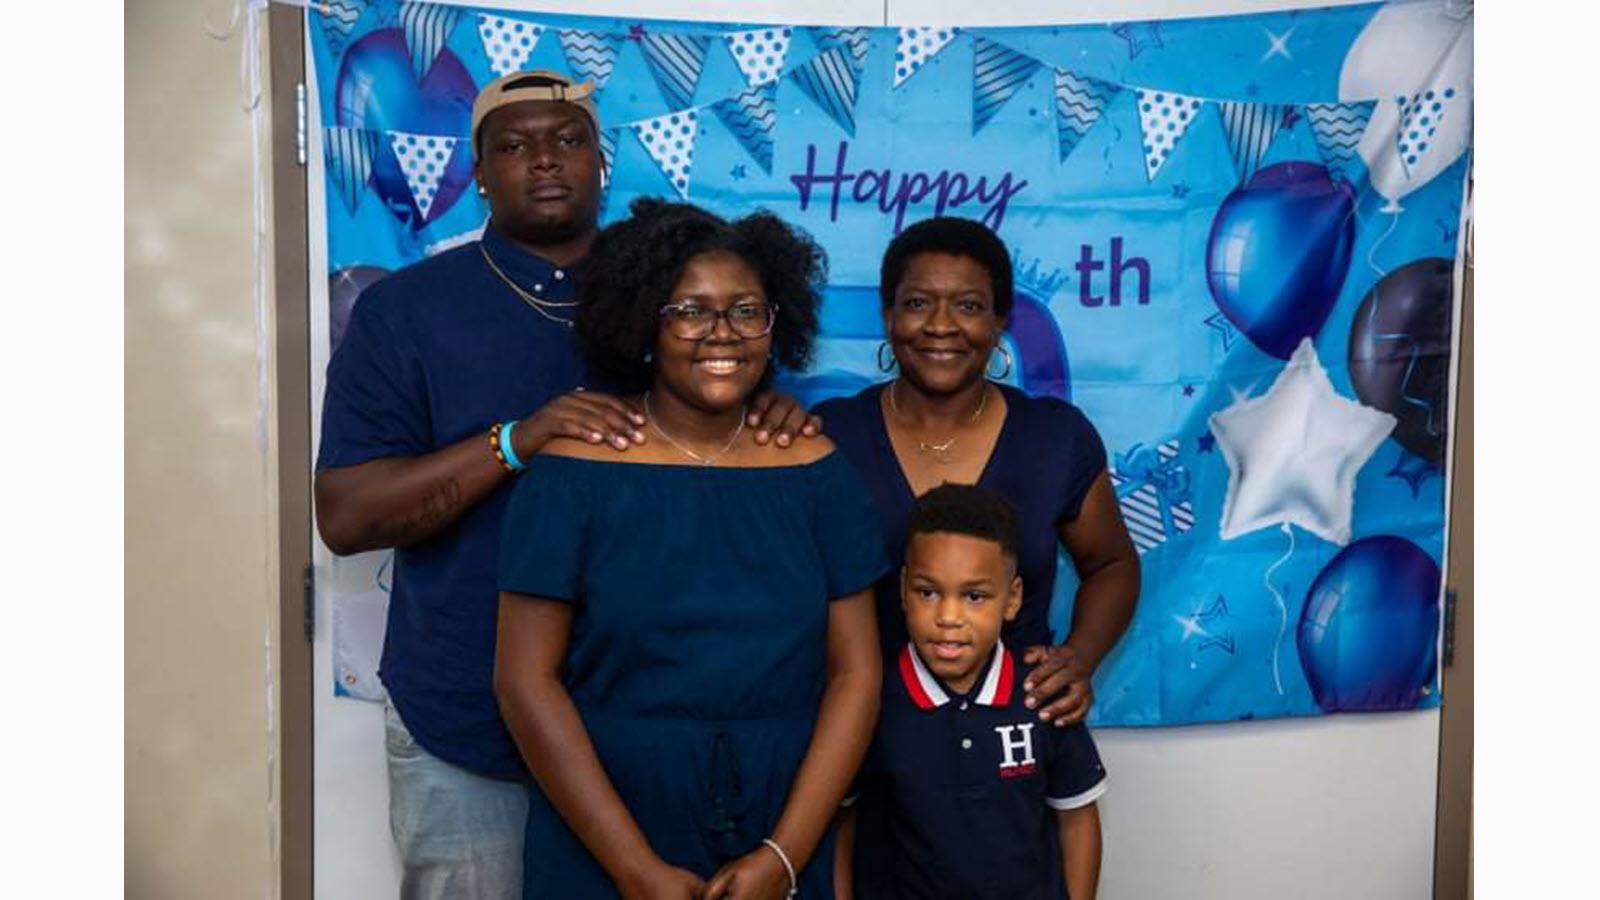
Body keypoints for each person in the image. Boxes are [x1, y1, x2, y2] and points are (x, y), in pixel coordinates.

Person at [314, 71, 817, 898]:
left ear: (601, 160)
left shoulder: (675, 297)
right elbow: (347, 516)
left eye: (568, 139)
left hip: (647, 731)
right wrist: (517, 440)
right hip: (467, 719)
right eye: (513, 145)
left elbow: (731, 427)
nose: (544, 159)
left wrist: (776, 417)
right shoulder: (407, 312)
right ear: (477, 170)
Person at [494, 198, 886, 900]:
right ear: (645, 324)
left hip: (783, 815)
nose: (722, 334)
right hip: (604, 825)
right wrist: (633, 869)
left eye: (746, 311)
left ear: (776, 325)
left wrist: (786, 857)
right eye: (691, 311)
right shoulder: (572, 472)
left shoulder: (816, 469)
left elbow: (856, 675)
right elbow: (525, 682)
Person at [814, 216, 1140, 726]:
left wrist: (1079, 657)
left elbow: (1112, 565)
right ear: (887, 316)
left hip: (1013, 750)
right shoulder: (831, 435)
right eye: (918, 303)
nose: (941, 325)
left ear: (999, 322)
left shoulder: (1055, 438)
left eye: (968, 306)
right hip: (864, 744)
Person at [836, 484, 1106, 899]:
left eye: (974, 596)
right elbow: (843, 822)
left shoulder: (1043, 691)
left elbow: (1077, 818)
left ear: (1012, 599)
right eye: (928, 592)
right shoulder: (871, 699)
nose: (948, 617)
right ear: (904, 588)